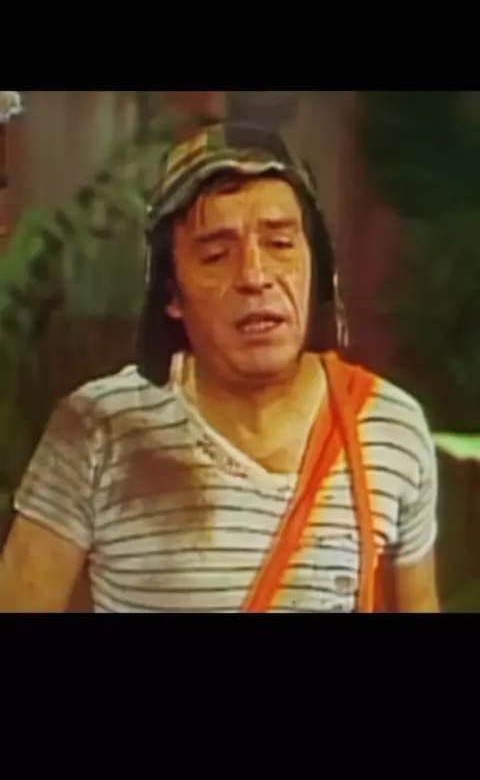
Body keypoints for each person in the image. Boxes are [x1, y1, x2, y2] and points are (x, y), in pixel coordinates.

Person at [0, 122, 439, 613]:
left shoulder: (390, 429)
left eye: (280, 244)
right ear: (171, 293)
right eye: (215, 255)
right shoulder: (97, 428)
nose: (255, 276)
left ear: (317, 267)